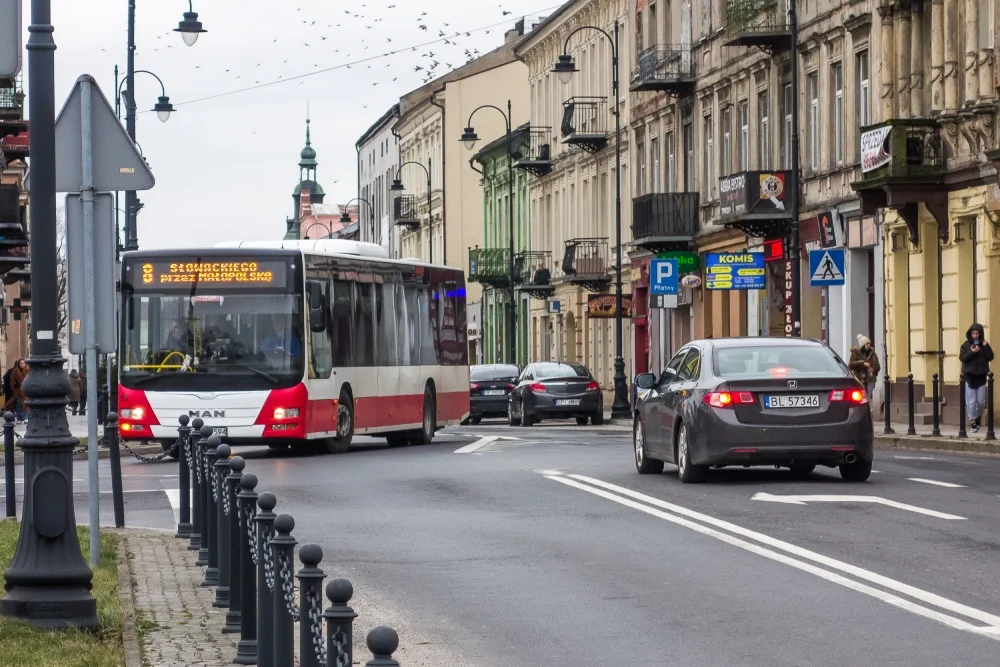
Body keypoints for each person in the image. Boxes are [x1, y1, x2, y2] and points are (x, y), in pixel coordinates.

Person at [960, 323, 994, 433]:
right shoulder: (965, 345)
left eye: (977, 333)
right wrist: (972, 352)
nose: (975, 335)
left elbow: (990, 357)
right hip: (969, 376)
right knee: (971, 402)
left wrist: (986, 346)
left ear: (980, 334)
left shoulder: (983, 345)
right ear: (970, 334)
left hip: (981, 376)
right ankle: (973, 422)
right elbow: (963, 358)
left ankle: (977, 417)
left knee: (980, 402)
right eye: (973, 333)